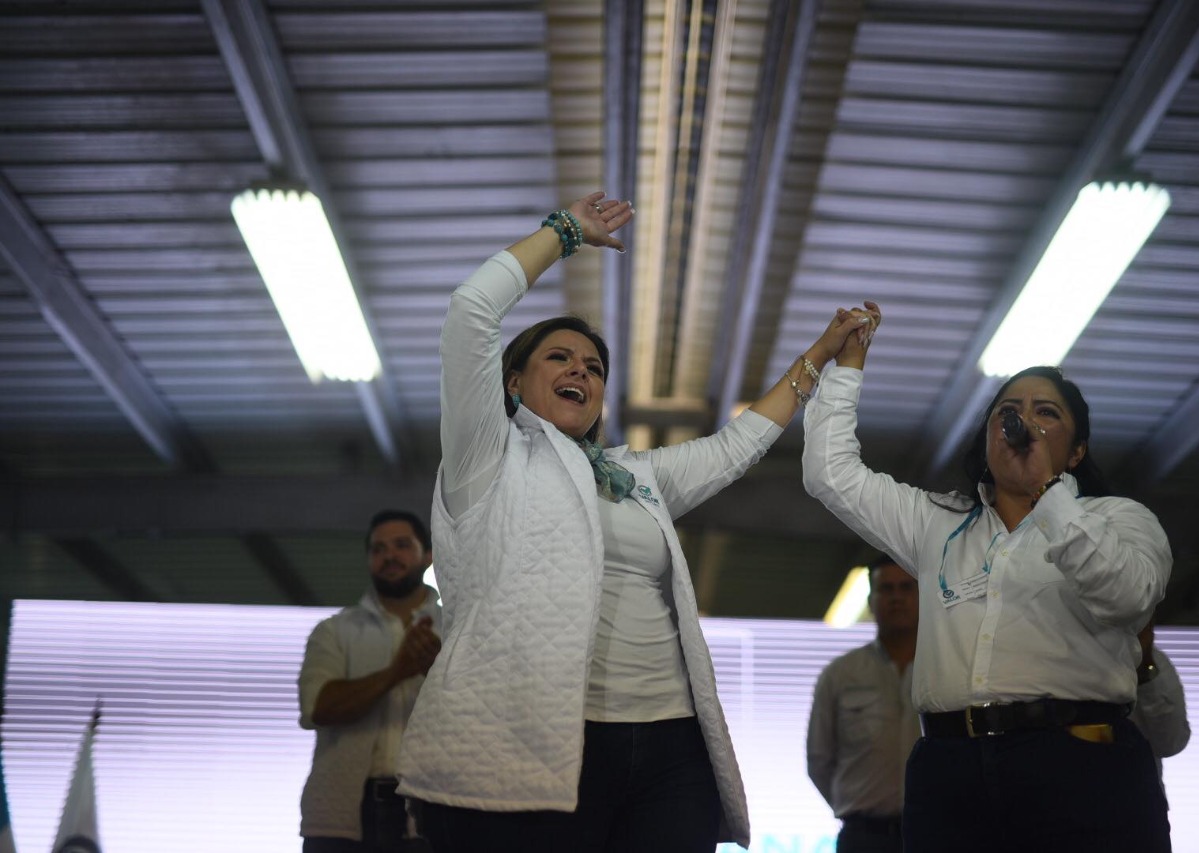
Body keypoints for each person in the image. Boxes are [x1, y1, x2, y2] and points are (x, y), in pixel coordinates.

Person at [395, 192, 865, 853]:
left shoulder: (635, 474)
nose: (580, 372)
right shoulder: (486, 455)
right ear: (511, 384)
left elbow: (736, 445)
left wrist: (820, 353)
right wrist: (564, 233)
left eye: (592, 368)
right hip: (538, 741)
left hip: (671, 745)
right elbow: (471, 310)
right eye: (558, 358)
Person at [802, 304, 1174, 853]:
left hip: (1081, 764)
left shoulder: (1118, 519)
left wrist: (1048, 492)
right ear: (987, 438)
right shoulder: (937, 523)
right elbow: (830, 473)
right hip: (950, 772)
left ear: (1076, 450)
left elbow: (1128, 599)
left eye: (1045, 412)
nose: (1021, 420)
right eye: (1008, 410)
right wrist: (848, 365)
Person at [298, 509, 442, 853]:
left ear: (428, 555)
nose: (389, 556)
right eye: (378, 549)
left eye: (401, 545)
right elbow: (318, 708)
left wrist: (441, 670)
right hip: (341, 815)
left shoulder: (457, 627)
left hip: (435, 807)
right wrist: (397, 671)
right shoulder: (334, 631)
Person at [806, 554, 919, 853]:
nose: (896, 598)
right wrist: (856, 807)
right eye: (886, 589)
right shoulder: (840, 675)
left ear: (923, 596)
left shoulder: (946, 670)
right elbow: (819, 760)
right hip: (864, 838)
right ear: (871, 601)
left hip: (935, 833)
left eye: (906, 588)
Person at [1131, 619, 1191, 780]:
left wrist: (1144, 667)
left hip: (1136, 797)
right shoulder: (1061, 660)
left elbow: (1170, 744)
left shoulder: (1153, 662)